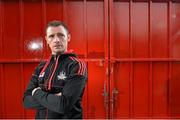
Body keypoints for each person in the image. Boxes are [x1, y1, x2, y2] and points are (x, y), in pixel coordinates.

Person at [23, 20, 87, 119]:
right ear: (46, 40)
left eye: (61, 35)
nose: (56, 40)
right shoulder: (41, 67)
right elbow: (26, 101)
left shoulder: (77, 65)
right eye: (51, 36)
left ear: (68, 37)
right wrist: (55, 99)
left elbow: (64, 105)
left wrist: (36, 93)